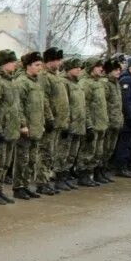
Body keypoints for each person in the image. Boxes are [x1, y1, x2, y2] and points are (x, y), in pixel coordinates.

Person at [0, 50, 23, 205]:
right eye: (12, 62)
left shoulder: (11, 81)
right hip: (0, 130)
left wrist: (20, 124)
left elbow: (15, 107)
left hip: (10, 129)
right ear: (4, 63)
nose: (15, 64)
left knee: (6, 162)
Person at [12, 52, 49, 200]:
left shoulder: (37, 82)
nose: (40, 68)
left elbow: (41, 105)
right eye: (37, 65)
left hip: (36, 127)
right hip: (26, 128)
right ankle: (18, 187)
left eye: (41, 65)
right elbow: (18, 105)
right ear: (28, 66)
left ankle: (26, 185)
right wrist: (22, 124)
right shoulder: (22, 82)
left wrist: (44, 122)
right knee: (22, 159)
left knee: (32, 159)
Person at [38, 48, 69, 195]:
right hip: (50, 122)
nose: (60, 63)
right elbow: (44, 98)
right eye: (57, 60)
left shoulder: (56, 76)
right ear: (50, 61)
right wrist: (49, 118)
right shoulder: (44, 76)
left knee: (52, 153)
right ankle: (41, 182)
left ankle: (46, 179)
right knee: (45, 153)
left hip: (58, 122)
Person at [78, 58, 109, 187]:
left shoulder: (100, 83)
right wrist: (88, 124)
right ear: (91, 68)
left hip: (101, 123)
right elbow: (85, 106)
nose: (101, 69)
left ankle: (91, 173)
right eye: (98, 66)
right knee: (88, 151)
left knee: (98, 151)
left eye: (101, 67)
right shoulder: (86, 83)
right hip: (92, 123)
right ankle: (83, 175)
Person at [62, 57, 87, 189]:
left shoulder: (77, 84)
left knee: (72, 154)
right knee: (63, 153)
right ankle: (60, 178)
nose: (79, 69)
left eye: (80, 67)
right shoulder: (64, 83)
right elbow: (64, 106)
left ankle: (66, 176)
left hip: (79, 124)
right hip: (69, 124)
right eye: (76, 67)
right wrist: (65, 124)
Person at [102, 57, 124, 177]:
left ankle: (103, 170)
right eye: (115, 70)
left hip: (116, 121)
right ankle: (98, 171)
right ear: (109, 71)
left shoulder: (116, 84)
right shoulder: (106, 84)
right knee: (104, 148)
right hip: (108, 122)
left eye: (118, 70)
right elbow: (104, 104)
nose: (118, 72)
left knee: (110, 149)